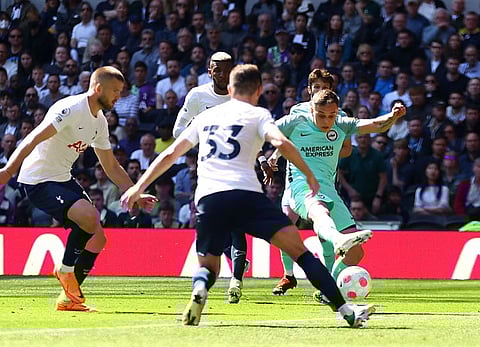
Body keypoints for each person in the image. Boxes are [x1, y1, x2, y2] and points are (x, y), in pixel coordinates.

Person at [120, 64, 374, 328]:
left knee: (208, 265)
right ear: (258, 91)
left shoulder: (206, 117)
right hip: (246, 196)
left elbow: (171, 154)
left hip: (209, 197)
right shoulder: (258, 114)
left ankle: (199, 290)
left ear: (229, 89)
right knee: (301, 252)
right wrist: (309, 174)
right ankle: (346, 312)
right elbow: (281, 143)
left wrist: (139, 186)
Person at [0, 66, 156, 312]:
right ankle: (64, 271)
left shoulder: (100, 122)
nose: (118, 96)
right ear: (98, 88)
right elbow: (33, 138)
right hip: (37, 179)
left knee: (98, 238)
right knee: (89, 217)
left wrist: (134, 191)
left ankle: (67, 300)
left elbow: (111, 166)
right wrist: (8, 171)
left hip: (61, 177)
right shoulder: (70, 109)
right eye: (115, 91)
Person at [269, 88, 405, 297]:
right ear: (311, 109)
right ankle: (336, 239)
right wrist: (265, 158)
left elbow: (376, 125)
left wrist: (393, 116)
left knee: (356, 252)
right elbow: (261, 131)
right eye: (321, 115)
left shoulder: (341, 124)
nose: (326, 120)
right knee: (318, 210)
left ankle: (329, 287)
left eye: (331, 115)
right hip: (301, 185)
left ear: (337, 111)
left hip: (329, 189)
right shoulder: (295, 121)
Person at [172, 52, 249, 304]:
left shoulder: (241, 95)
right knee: (214, 228)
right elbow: (177, 131)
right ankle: (220, 269)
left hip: (238, 169)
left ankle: (236, 281)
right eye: (217, 69)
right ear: (209, 70)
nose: (222, 74)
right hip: (208, 171)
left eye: (227, 69)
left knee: (238, 226)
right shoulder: (197, 96)